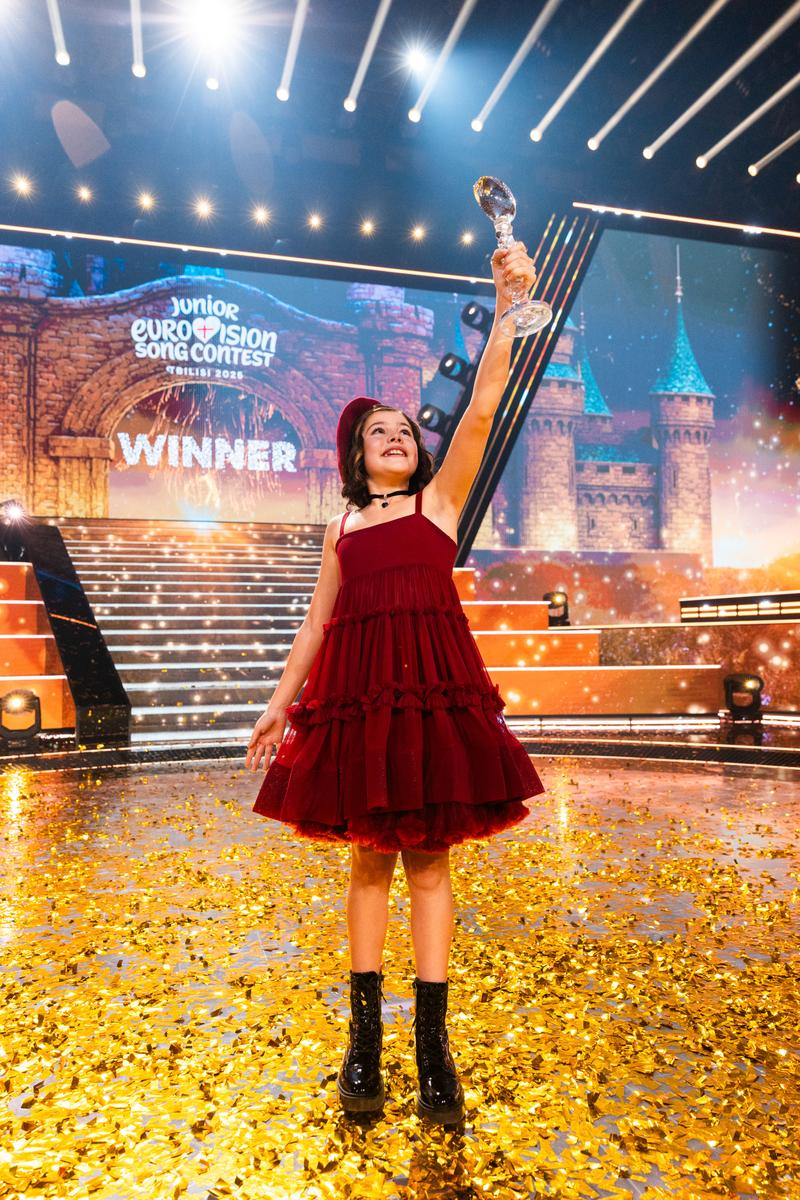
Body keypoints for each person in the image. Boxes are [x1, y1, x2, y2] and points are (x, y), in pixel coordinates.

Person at [245, 239, 545, 1125]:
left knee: (430, 862)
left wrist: (504, 306)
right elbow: (316, 624)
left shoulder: (437, 503)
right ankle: (364, 1044)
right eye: (381, 431)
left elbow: (482, 409)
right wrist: (278, 706)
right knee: (369, 862)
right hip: (360, 700)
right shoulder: (341, 529)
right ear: (356, 454)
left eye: (406, 431)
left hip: (432, 696)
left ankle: (434, 1050)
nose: (398, 438)